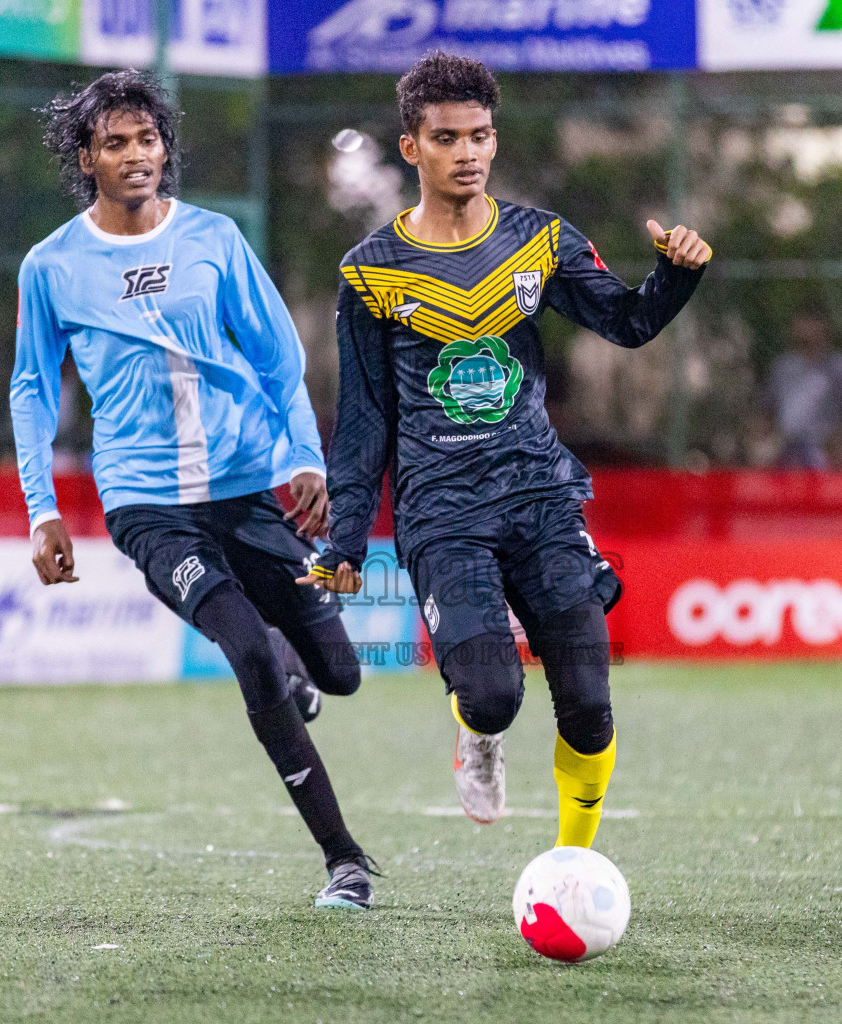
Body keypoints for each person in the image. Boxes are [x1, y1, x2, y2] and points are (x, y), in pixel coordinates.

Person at [298, 52, 712, 851]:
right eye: (448, 138)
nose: (469, 153)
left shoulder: (541, 241)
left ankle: (571, 865)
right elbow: (365, 419)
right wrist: (347, 538)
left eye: (481, 135)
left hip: (540, 496)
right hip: (442, 511)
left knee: (589, 698)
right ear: (412, 147)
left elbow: (627, 324)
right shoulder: (371, 273)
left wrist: (673, 277)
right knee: (491, 694)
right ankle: (476, 735)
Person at [12, 70, 375, 909]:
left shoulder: (213, 238)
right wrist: (42, 509)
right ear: (87, 158)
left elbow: (281, 355)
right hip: (148, 505)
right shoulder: (53, 267)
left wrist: (304, 457)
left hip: (247, 486)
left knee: (342, 671)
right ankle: (344, 861)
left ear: (164, 148)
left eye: (147, 139)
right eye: (115, 143)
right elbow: (31, 388)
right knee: (247, 650)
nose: (136, 155)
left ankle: (299, 667)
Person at [763, 304, 842, 469]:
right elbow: (768, 410)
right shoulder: (783, 366)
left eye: (812, 321)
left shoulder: (841, 367)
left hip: (824, 450)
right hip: (786, 449)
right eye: (802, 320)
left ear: (825, 327)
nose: (805, 328)